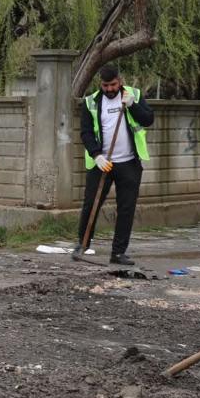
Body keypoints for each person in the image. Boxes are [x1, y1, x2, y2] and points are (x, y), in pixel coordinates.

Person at [74, 65, 154, 265]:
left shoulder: (134, 95)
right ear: (100, 83)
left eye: (113, 84)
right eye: (105, 85)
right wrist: (96, 155)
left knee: (126, 208)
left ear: (120, 81)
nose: (109, 89)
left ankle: (118, 253)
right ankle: (82, 244)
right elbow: (86, 132)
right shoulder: (91, 102)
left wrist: (133, 105)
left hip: (129, 163)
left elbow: (148, 120)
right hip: (102, 164)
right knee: (91, 204)